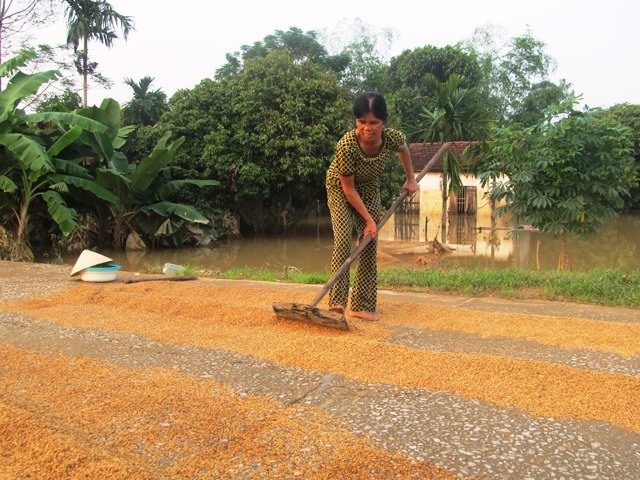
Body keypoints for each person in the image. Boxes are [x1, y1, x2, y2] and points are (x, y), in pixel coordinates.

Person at [325, 92, 419, 321]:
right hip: (340, 188)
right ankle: (336, 303)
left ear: (383, 122)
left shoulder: (391, 138)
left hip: (368, 188)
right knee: (343, 237)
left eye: (374, 122)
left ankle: (361, 306)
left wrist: (410, 178)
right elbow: (348, 189)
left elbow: (403, 149)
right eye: (362, 122)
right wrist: (369, 220)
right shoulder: (346, 146)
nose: (367, 128)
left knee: (369, 241)